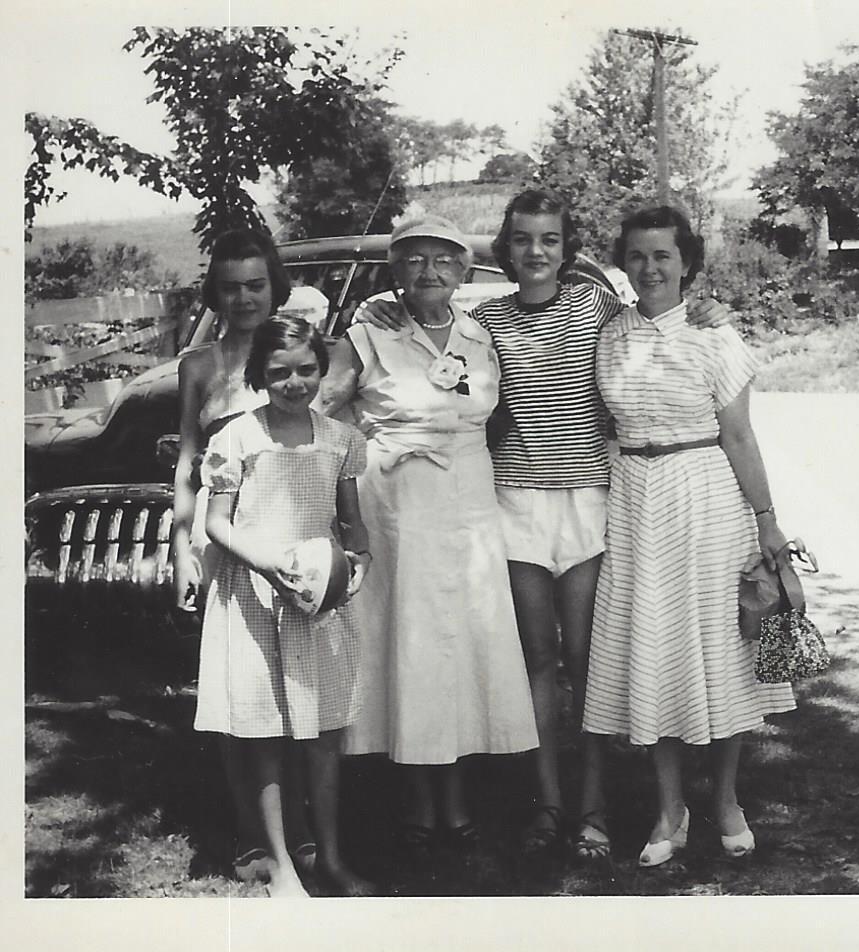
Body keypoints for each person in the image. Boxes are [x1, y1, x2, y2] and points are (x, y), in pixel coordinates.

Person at [355, 191, 730, 863]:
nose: (535, 252)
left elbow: (659, 313)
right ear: (506, 250)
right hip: (516, 504)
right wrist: (376, 305)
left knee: (587, 660)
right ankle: (547, 802)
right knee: (537, 660)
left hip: (588, 501)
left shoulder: (596, 308)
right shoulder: (485, 321)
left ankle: (592, 808)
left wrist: (705, 307)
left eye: (549, 240)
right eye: (523, 240)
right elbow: (424, 327)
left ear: (567, 249)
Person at [320, 215, 540, 858]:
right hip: (397, 508)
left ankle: (462, 798)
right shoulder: (367, 334)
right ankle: (418, 803)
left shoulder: (482, 331)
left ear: (464, 270)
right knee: (414, 647)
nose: (429, 272)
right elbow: (325, 412)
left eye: (443, 260)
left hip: (469, 501)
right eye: (413, 260)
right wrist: (360, 469)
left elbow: (496, 416)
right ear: (394, 272)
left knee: (466, 644)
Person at [583, 205, 796, 868]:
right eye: (638, 256)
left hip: (706, 499)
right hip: (636, 503)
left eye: (663, 257)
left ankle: (727, 800)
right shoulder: (609, 332)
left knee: (721, 652)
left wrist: (767, 521)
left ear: (688, 266)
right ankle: (668, 807)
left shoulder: (715, 336)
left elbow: (738, 435)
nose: (649, 268)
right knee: (656, 649)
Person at [196, 315, 374, 897]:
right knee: (264, 733)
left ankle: (332, 857)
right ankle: (282, 867)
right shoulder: (237, 439)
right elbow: (218, 524)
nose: (294, 383)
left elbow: (354, 530)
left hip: (315, 605)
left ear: (322, 369)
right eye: (278, 374)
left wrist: (353, 572)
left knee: (323, 736)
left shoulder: (341, 439)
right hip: (253, 598)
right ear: (257, 377)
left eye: (305, 370)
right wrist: (267, 565)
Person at [171, 229, 314, 884]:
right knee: (238, 688)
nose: (243, 297)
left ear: (273, 284)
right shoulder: (199, 364)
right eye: (230, 286)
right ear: (215, 292)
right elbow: (186, 462)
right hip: (221, 532)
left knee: (296, 683)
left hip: (287, 527)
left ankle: (301, 828)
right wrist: (179, 546)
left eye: (255, 283)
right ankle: (253, 839)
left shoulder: (295, 349)